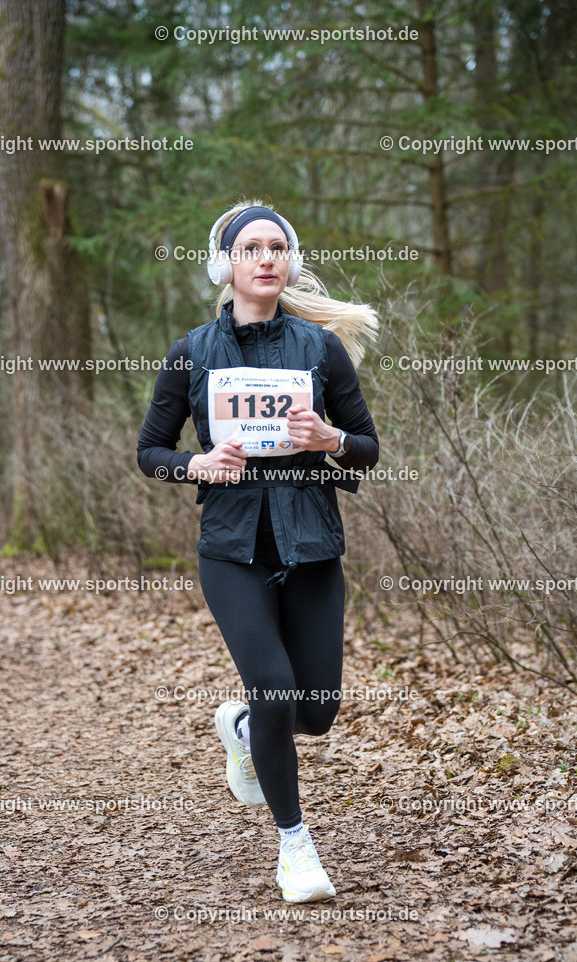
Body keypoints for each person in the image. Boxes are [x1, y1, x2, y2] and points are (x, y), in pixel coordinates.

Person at [137, 201, 379, 902]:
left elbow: (365, 450)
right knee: (275, 687)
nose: (266, 258)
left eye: (277, 247)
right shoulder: (191, 352)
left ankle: (241, 726)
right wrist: (197, 465)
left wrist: (328, 440)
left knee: (316, 711)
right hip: (231, 552)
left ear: (288, 262)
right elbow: (150, 452)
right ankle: (294, 847)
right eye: (252, 248)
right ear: (227, 265)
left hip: (311, 548)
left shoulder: (319, 350)